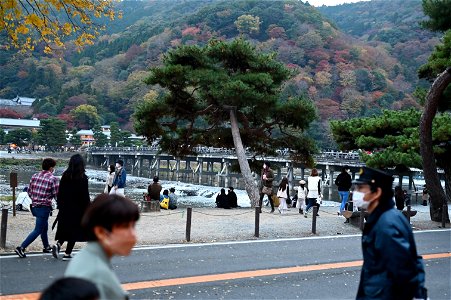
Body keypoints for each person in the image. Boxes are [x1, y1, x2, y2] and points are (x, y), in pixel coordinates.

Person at [353, 167, 427, 300]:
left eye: (361, 188)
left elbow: (403, 270)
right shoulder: (387, 216)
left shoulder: (386, 224)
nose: (356, 192)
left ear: (377, 193)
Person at [64, 193, 140, 300]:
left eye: (133, 226)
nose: (134, 235)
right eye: (125, 226)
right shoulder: (98, 275)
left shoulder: (83, 258)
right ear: (100, 232)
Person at [15, 158, 59, 258]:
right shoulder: (53, 179)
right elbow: (57, 195)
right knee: (38, 229)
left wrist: (36, 199)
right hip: (44, 207)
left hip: (34, 206)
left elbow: (29, 192)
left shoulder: (34, 176)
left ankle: (46, 246)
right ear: (51, 168)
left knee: (44, 226)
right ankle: (21, 247)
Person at [52, 154, 91, 261]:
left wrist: (60, 205)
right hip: (78, 209)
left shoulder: (65, 176)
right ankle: (67, 253)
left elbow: (60, 193)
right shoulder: (83, 178)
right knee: (74, 231)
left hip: (65, 207)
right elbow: (85, 196)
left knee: (65, 228)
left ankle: (59, 244)